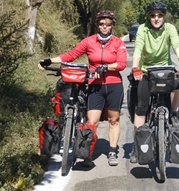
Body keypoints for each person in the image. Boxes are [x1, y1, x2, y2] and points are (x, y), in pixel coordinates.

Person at [38, 10, 127, 167]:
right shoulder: (89, 41)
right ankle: (87, 153)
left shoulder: (118, 43)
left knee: (114, 119)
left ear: (112, 25)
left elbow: (121, 64)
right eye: (101, 24)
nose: (104, 27)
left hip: (114, 85)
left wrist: (106, 67)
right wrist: (49, 60)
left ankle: (112, 151)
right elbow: (71, 55)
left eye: (107, 24)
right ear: (97, 25)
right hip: (94, 86)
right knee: (92, 121)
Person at [129, 1, 179, 163]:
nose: (156, 18)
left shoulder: (170, 28)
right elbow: (138, 49)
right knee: (141, 108)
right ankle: (137, 146)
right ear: (148, 17)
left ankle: (174, 112)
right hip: (145, 72)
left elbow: (177, 46)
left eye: (160, 15)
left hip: (165, 69)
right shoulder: (143, 29)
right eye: (153, 15)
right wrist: (135, 68)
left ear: (164, 16)